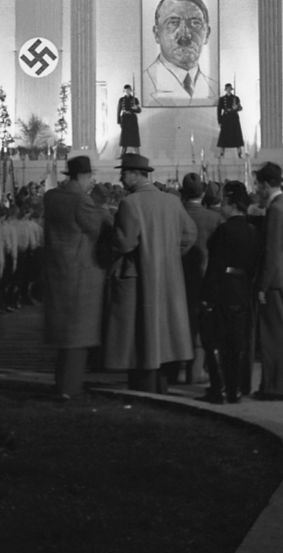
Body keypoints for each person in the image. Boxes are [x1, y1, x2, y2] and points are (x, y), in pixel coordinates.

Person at [104, 154, 197, 392]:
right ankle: (161, 388)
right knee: (164, 334)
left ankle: (144, 390)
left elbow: (124, 242)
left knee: (141, 335)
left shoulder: (130, 203)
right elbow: (190, 234)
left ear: (136, 175)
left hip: (141, 276)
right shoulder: (172, 201)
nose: (121, 178)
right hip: (169, 276)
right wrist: (170, 254)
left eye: (124, 173)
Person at [41, 156, 109, 398]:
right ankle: (69, 388)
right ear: (82, 176)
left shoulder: (51, 197)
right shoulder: (81, 201)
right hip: (80, 274)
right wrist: (102, 208)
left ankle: (62, 384)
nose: (91, 181)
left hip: (57, 271)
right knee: (77, 336)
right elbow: (97, 228)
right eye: (89, 177)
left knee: (64, 336)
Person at [198, 181, 262, 404]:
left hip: (222, 289)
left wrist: (207, 296)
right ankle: (235, 389)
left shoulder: (224, 231)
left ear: (232, 205)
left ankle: (220, 388)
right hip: (242, 288)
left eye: (224, 201)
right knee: (236, 343)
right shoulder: (253, 231)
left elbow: (215, 265)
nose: (222, 206)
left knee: (216, 342)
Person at [252, 162, 283, 400]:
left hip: (276, 278)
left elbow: (271, 251)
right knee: (282, 332)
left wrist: (262, 284)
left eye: (258, 185)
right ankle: (276, 384)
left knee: (274, 336)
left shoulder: (276, 210)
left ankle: (277, 387)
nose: (256, 189)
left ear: (265, 184)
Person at [142, 0, 219, 106]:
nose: (185, 36)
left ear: (207, 34)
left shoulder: (215, 87)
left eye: (195, 23)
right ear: (157, 34)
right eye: (173, 23)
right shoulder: (144, 84)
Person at [179, 172, 220, 385]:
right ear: (202, 193)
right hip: (203, 276)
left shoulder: (175, 214)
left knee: (179, 321)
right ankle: (196, 370)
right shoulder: (213, 218)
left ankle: (178, 368)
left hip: (177, 276)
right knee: (202, 323)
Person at [216, 84, 244, 157]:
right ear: (225, 89)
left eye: (229, 88)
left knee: (237, 135)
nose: (228, 90)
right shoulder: (222, 99)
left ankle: (239, 153)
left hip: (234, 118)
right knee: (223, 136)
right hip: (226, 118)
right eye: (227, 88)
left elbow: (240, 108)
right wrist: (219, 121)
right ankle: (221, 153)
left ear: (231, 89)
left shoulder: (236, 98)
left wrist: (236, 108)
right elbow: (219, 111)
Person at [117, 85, 142, 156]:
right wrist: (119, 122)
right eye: (126, 90)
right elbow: (118, 110)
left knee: (134, 140)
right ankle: (122, 156)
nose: (127, 91)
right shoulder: (121, 100)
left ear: (130, 90)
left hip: (132, 120)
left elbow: (139, 110)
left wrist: (136, 108)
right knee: (124, 141)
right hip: (125, 119)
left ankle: (138, 156)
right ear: (124, 91)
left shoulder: (135, 99)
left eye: (128, 90)